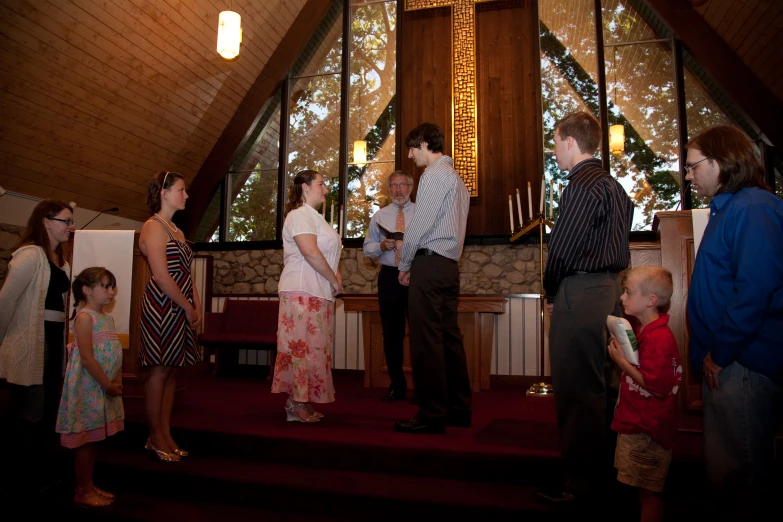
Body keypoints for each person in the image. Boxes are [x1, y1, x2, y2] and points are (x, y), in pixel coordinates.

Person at [685, 125, 783, 520]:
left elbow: (755, 289)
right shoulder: (733, 207)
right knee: (728, 470)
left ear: (721, 162)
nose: (688, 175)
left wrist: (720, 353)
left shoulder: (754, 208)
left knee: (739, 474)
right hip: (731, 359)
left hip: (742, 361)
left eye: (692, 167)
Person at [538, 111, 634, 504]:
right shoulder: (614, 185)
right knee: (605, 386)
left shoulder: (581, 185)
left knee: (578, 388)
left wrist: (549, 289)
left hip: (581, 290)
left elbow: (562, 247)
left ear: (570, 141)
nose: (555, 150)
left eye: (555, 142)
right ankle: (609, 476)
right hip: (611, 289)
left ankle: (579, 485)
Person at [394, 122, 471, 435]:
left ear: (425, 144)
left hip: (429, 266)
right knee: (449, 340)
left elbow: (420, 225)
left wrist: (405, 262)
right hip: (449, 266)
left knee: (426, 342)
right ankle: (458, 409)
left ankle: (431, 413)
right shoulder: (457, 180)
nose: (411, 156)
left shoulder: (433, 175)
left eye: (412, 148)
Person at [0, 199, 74, 494]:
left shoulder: (60, 260)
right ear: (46, 221)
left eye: (71, 221)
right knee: (29, 412)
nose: (71, 226)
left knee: (44, 413)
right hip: (32, 341)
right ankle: (21, 478)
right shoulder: (30, 256)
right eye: (66, 221)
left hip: (53, 341)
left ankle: (40, 473)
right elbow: (6, 302)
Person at [607, 266, 682, 522]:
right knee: (642, 492)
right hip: (640, 423)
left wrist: (621, 362)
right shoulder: (648, 332)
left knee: (648, 495)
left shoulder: (659, 338)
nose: (622, 298)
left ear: (650, 300)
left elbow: (657, 385)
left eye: (628, 292)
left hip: (648, 429)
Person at [138, 170, 201, 462]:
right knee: (159, 371)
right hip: (163, 306)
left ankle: (165, 433)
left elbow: (187, 273)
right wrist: (186, 306)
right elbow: (162, 276)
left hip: (181, 304)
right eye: (181, 189)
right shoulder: (153, 227)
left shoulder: (177, 231)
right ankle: (154, 436)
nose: (186, 195)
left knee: (173, 370)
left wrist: (195, 304)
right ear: (164, 193)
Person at [271, 170, 342, 422]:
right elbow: (310, 252)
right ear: (305, 187)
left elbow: (327, 254)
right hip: (301, 290)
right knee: (301, 349)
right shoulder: (299, 215)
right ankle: (296, 405)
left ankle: (303, 399)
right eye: (321, 184)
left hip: (317, 290)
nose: (325, 189)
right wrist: (334, 279)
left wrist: (334, 277)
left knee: (314, 349)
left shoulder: (316, 218)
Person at [56, 267, 124, 508]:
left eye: (112, 286)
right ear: (86, 290)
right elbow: (86, 358)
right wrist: (107, 384)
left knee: (95, 438)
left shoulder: (107, 317)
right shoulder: (85, 317)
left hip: (103, 387)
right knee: (86, 440)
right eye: (105, 286)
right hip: (89, 387)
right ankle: (83, 490)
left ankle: (88, 483)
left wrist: (117, 379)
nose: (111, 291)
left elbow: (113, 352)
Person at [363, 171, 416, 402]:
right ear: (389, 189)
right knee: (392, 334)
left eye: (402, 185)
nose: (398, 190)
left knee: (420, 334)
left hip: (416, 276)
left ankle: (424, 387)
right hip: (389, 278)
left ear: (411, 187)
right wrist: (381, 246)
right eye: (393, 185)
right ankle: (397, 385)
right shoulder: (379, 216)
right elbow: (367, 248)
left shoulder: (422, 213)